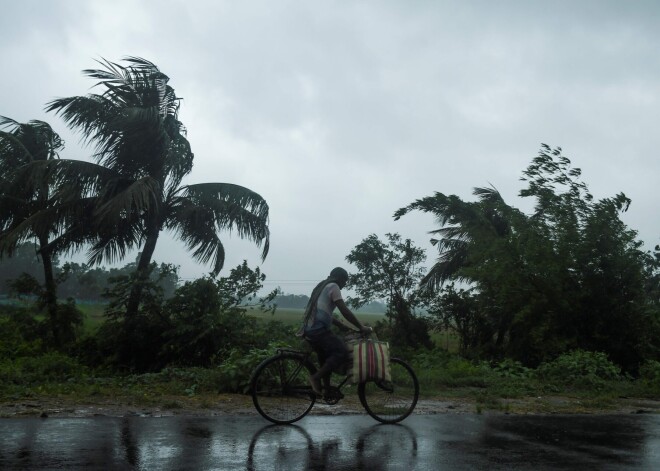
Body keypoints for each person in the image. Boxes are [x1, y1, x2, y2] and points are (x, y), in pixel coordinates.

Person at [300, 267, 372, 396]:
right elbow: (344, 311)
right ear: (340, 278)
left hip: (309, 329)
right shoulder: (333, 287)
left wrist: (340, 325)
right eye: (345, 281)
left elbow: (323, 312)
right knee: (341, 351)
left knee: (325, 357)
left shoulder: (321, 286)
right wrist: (361, 327)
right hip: (318, 330)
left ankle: (326, 389)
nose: (345, 284)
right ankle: (315, 378)